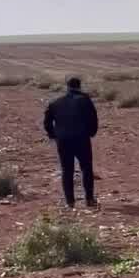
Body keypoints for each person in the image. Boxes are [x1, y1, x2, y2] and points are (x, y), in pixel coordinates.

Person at [43, 76, 100, 209]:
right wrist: (91, 132)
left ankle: (70, 202)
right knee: (86, 168)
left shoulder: (55, 102)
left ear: (67, 87)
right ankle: (89, 200)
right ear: (79, 86)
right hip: (81, 138)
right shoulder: (85, 100)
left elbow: (47, 122)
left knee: (67, 170)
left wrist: (53, 135)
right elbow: (93, 118)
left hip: (63, 140)